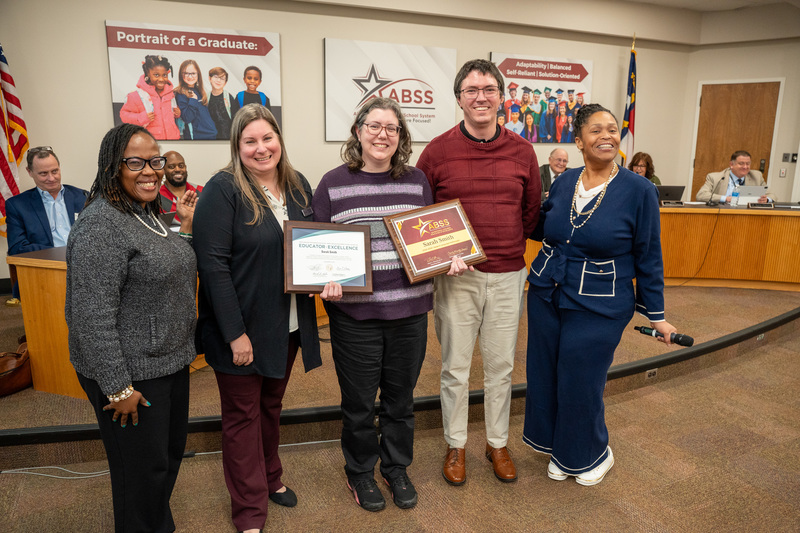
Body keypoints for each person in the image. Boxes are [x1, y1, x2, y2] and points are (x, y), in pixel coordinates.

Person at [313, 97, 467, 512]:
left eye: (392, 129)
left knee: (400, 402)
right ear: (359, 130)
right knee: (359, 403)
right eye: (375, 126)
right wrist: (322, 280)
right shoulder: (332, 183)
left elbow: (431, 238)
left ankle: (395, 467)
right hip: (356, 319)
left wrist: (449, 258)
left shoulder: (417, 181)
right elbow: (316, 247)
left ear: (401, 137)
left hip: (410, 314)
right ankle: (361, 471)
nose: (383, 135)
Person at [524, 103, 678, 487]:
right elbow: (542, 226)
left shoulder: (640, 190)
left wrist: (655, 313)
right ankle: (560, 447)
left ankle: (591, 453)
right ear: (578, 141)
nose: (607, 135)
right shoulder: (564, 180)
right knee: (546, 374)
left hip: (601, 302)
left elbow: (648, 252)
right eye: (596, 130)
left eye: (612, 129)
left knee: (580, 378)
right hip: (547, 291)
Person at [193, 104, 323, 533]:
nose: (261, 148)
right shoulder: (223, 190)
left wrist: (332, 276)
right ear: (237, 146)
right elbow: (212, 267)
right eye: (250, 141)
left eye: (268, 138)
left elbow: (315, 247)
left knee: (271, 405)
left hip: (285, 325)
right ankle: (248, 510)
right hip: (240, 330)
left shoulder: (298, 185)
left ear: (280, 141)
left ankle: (270, 479)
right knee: (242, 416)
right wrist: (235, 335)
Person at [65, 123, 197, 532]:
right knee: (140, 473)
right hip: (131, 373)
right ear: (112, 166)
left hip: (168, 362)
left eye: (155, 160)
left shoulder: (147, 213)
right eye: (135, 162)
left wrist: (187, 230)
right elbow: (90, 315)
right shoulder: (101, 224)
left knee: (165, 459)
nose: (151, 171)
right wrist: (118, 387)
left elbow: (166, 267)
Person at [417, 59, 540, 487]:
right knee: (454, 365)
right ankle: (455, 443)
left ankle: (497, 441)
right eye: (471, 90)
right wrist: (441, 257)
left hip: (509, 274)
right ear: (459, 99)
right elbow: (423, 215)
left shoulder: (523, 151)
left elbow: (530, 213)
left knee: (501, 365)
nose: (481, 97)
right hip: (456, 277)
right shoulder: (436, 151)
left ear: (502, 97)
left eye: (489, 89)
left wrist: (505, 245)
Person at [5, 146, 87, 302]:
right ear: (30, 172)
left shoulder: (82, 196)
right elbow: (17, 248)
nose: (51, 178)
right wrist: (62, 252)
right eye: (43, 173)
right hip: (43, 271)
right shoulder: (17, 205)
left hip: (84, 268)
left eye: (55, 171)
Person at [119, 55, 181, 140]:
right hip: (150, 143)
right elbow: (124, 115)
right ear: (147, 74)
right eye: (156, 75)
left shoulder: (170, 93)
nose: (161, 79)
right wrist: (142, 117)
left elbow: (171, 114)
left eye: (164, 75)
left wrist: (177, 113)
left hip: (173, 139)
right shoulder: (137, 95)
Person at [696, 150, 775, 203]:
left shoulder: (756, 176)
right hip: (722, 213)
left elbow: (772, 195)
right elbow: (701, 195)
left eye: (748, 164)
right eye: (741, 163)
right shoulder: (716, 177)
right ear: (731, 164)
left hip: (747, 214)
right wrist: (726, 198)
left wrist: (766, 200)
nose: (745, 167)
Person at [174, 59, 217, 140]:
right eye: (186, 73)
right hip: (198, 138)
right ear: (181, 75)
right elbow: (187, 118)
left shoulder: (199, 90)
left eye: (193, 73)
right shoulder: (180, 93)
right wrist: (193, 100)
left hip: (211, 135)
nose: (190, 77)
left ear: (198, 75)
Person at [159, 151, 203, 230]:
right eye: (171, 167)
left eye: (181, 166)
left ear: (185, 167)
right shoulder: (156, 197)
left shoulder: (201, 191)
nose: (177, 169)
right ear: (163, 170)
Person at [207, 67, 240, 140]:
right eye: (216, 77)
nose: (218, 80)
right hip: (210, 138)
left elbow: (235, 119)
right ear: (210, 78)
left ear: (225, 82)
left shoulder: (229, 98)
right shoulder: (205, 98)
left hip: (227, 139)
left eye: (222, 78)